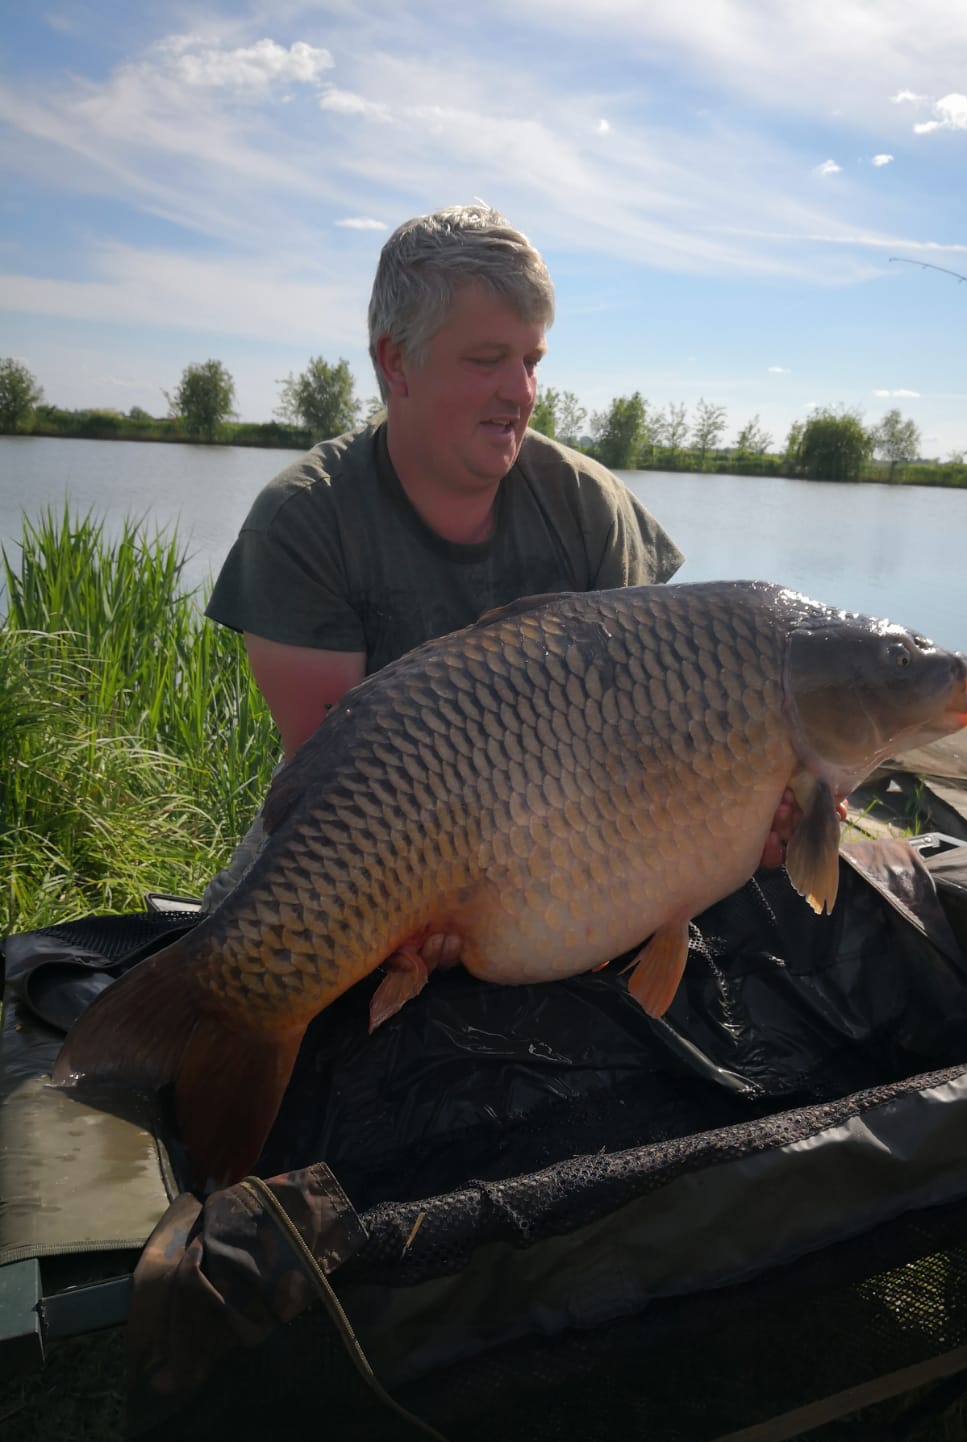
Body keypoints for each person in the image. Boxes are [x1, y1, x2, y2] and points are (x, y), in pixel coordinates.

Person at [204, 203, 798, 922]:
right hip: (369, 834)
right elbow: (339, 790)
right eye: (486, 360)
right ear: (397, 362)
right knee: (237, 947)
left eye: (531, 361)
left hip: (578, 816)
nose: (519, 393)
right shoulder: (305, 520)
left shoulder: (589, 506)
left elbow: (649, 743)